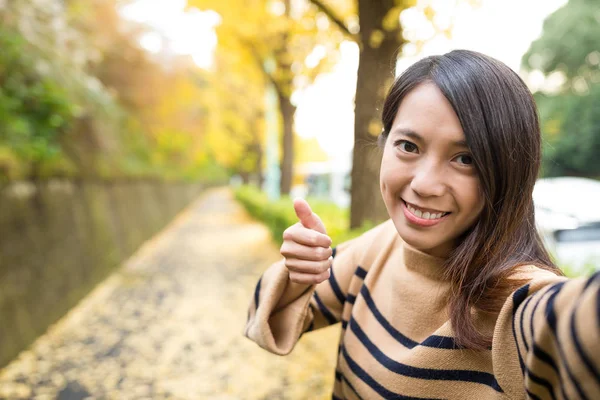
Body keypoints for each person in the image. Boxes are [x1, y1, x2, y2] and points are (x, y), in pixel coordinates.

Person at [244, 50, 600, 399]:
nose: (424, 184)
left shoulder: (515, 300)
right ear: (384, 144)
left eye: (465, 159)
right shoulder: (379, 247)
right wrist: (298, 275)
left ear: (509, 174)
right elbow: (268, 316)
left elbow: (568, 325)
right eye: (408, 146)